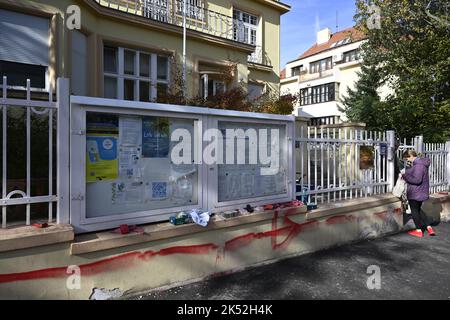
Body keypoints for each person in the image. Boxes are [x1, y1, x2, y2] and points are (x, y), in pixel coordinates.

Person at [401, 150, 436, 237]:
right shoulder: (420, 164)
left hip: (415, 192)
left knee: (414, 211)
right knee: (418, 210)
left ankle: (418, 230)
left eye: (407, 158)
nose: (407, 160)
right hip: (420, 191)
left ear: (411, 156)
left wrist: (405, 176)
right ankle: (429, 227)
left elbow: (417, 180)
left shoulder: (418, 165)